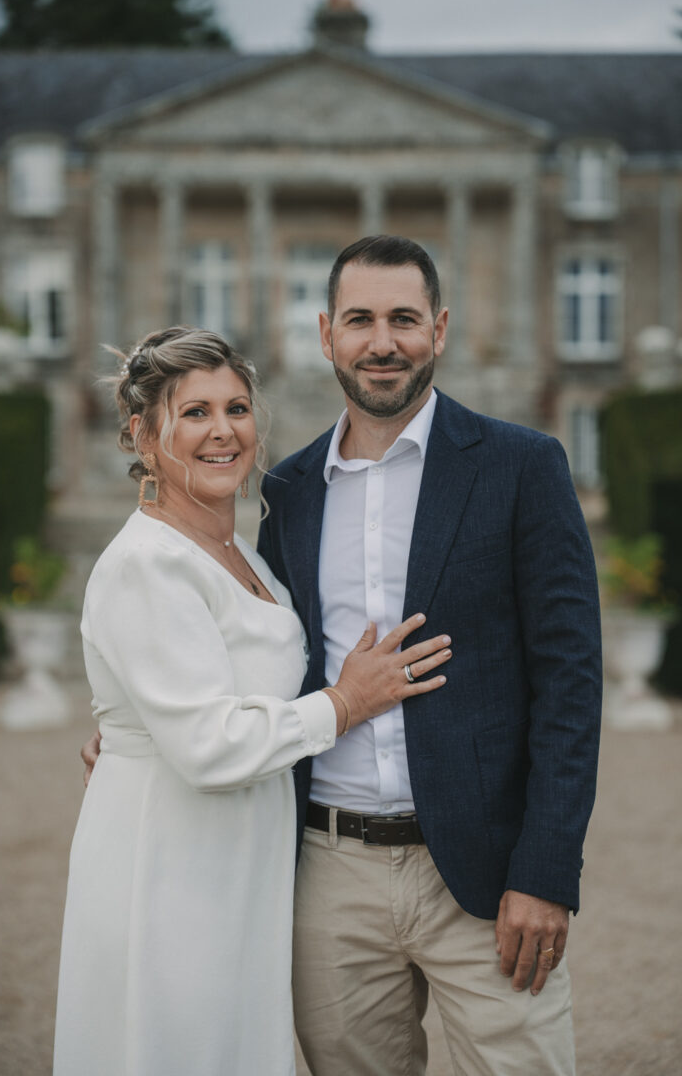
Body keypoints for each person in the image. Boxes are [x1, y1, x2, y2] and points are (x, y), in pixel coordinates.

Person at [55, 325, 452, 1076]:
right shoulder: (147, 563)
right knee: (176, 1041)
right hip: (171, 857)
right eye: (193, 412)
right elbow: (207, 744)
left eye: (235, 408)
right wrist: (345, 703)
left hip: (245, 857)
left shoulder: (247, 555)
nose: (222, 431)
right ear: (143, 433)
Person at [255, 236, 602, 1075]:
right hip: (327, 873)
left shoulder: (523, 466)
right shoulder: (287, 492)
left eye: (404, 319)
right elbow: (254, 657)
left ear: (439, 330)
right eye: (361, 320)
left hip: (485, 878)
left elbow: (570, 680)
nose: (384, 341)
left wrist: (546, 871)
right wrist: (133, 740)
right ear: (326, 334)